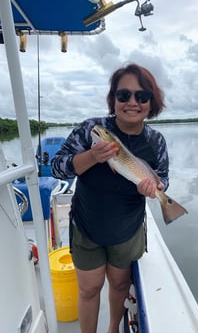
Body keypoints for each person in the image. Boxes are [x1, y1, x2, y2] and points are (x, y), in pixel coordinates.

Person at [51, 63, 169, 333]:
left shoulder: (155, 141)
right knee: (90, 288)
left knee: (118, 284)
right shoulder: (92, 129)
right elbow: (58, 166)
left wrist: (156, 187)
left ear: (152, 102)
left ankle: (113, 328)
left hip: (127, 229)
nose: (132, 102)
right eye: (123, 94)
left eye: (141, 96)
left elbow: (163, 177)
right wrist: (92, 156)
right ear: (113, 98)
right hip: (87, 224)